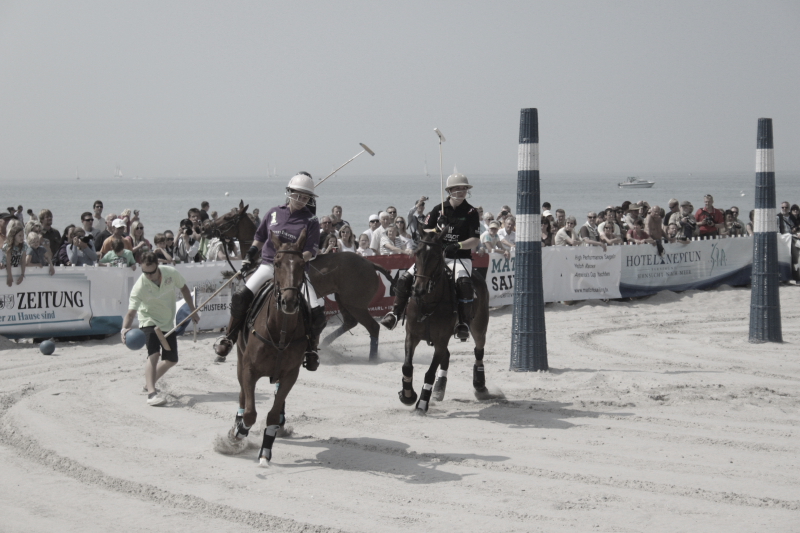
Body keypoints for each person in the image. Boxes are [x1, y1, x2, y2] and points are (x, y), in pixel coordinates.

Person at [214, 173, 325, 371]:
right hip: (268, 266)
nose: (300, 201)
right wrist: (250, 254)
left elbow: (312, 250)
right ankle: (229, 337)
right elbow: (260, 236)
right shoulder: (274, 213)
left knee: (317, 312)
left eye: (305, 197)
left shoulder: (311, 220)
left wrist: (297, 260)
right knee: (241, 296)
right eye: (297, 195)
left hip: (295, 272)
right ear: (288, 193)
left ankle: (311, 349)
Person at [381, 173, 480, 340]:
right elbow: (424, 231)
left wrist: (458, 245)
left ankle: (462, 323)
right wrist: (437, 228)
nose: (462, 191)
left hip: (460, 257)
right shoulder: (438, 209)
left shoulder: (471, 212)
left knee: (464, 283)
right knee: (405, 278)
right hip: (436, 257)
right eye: (458, 188)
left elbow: (475, 240)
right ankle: (395, 313)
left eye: (464, 188)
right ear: (449, 191)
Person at [121, 253, 199, 406]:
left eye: (152, 272)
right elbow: (131, 313)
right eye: (145, 272)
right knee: (154, 354)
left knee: (171, 360)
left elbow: (184, 288)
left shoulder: (170, 273)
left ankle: (149, 382)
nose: (149, 276)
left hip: (167, 321)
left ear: (158, 266)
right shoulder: (140, 286)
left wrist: (193, 310)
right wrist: (124, 329)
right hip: (148, 320)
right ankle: (151, 393)